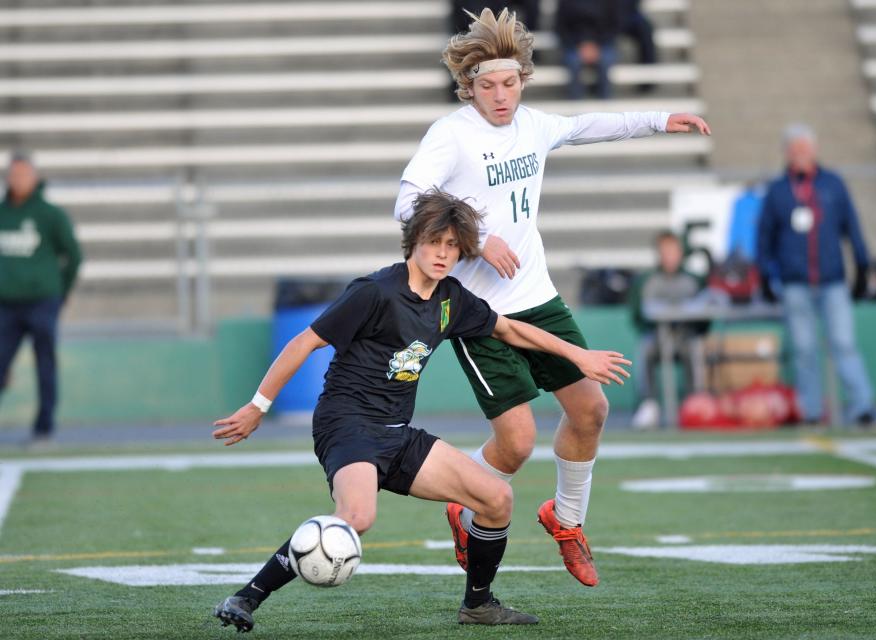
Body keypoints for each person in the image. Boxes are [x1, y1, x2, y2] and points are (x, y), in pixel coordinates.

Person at [211, 190, 630, 632]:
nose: (443, 254)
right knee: (358, 517)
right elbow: (304, 342)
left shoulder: (452, 298)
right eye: (435, 243)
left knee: (496, 499)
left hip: (398, 432)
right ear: (414, 241)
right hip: (348, 425)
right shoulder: (374, 292)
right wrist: (258, 406)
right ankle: (246, 597)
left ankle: (478, 605)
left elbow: (508, 329)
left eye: (452, 246)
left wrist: (577, 356)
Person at [393, 7, 709, 587]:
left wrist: (663, 118)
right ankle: (463, 509)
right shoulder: (451, 135)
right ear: (468, 87)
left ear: (523, 79)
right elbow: (406, 203)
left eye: (510, 82)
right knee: (515, 447)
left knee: (591, 409)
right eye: (487, 85)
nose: (500, 95)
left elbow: (591, 125)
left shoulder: (533, 125)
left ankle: (566, 520)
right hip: (481, 316)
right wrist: (477, 240)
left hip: (539, 298)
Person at [756, 124, 874, 427]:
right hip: (795, 283)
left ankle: (862, 406)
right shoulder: (779, 190)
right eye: (795, 150)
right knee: (805, 350)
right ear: (786, 153)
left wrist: (862, 266)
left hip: (832, 279)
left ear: (815, 150)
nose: (800, 156)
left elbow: (852, 227)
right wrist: (765, 275)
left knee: (844, 344)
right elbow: (764, 237)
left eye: (804, 149)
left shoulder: (832, 184)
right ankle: (810, 410)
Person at [0, 151, 83, 445]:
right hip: (5, 305)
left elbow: (73, 255)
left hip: (42, 301)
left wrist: (60, 291)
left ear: (34, 178)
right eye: (14, 174)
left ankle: (44, 428)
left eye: (24, 174)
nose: (18, 180)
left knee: (45, 364)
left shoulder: (50, 215)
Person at [628, 231, 706, 429]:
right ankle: (649, 404)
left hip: (684, 338)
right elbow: (638, 315)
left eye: (674, 251)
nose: (670, 256)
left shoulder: (693, 280)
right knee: (645, 348)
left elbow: (704, 316)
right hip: (658, 338)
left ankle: (695, 403)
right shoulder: (647, 280)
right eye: (665, 251)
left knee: (695, 347)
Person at [554, 0, 621, 100]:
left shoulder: (610, 2)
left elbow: (615, 26)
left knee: (605, 61)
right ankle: (575, 105)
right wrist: (580, 45)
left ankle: (605, 104)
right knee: (573, 62)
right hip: (574, 45)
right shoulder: (566, 2)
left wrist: (596, 46)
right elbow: (560, 27)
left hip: (603, 44)